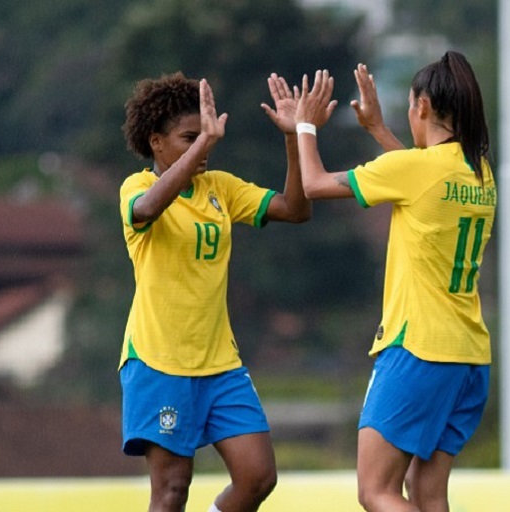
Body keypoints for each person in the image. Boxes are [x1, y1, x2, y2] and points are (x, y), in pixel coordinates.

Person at [291, 51, 496, 512]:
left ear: (422, 107)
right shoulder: (480, 174)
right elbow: (421, 183)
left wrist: (305, 125)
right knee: (427, 494)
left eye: (408, 107)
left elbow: (314, 184)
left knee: (377, 491)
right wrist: (378, 130)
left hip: (418, 350)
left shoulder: (419, 171)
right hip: (468, 356)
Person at [118, 71, 312, 512]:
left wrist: (291, 138)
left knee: (258, 476)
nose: (203, 145)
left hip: (220, 364)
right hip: (159, 362)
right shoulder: (138, 188)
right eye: (190, 138)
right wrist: (206, 144)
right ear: (155, 142)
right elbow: (146, 211)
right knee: (171, 492)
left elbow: (296, 209)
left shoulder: (219, 188)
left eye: (203, 137)